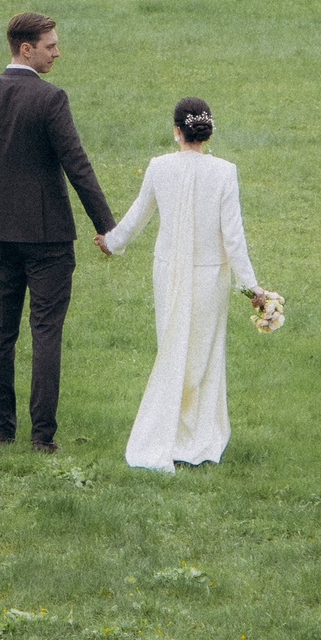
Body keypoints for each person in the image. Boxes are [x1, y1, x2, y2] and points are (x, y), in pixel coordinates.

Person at [0, 11, 114, 452]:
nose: (57, 52)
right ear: (25, 48)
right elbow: (77, 166)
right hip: (48, 240)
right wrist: (108, 227)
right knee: (46, 332)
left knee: (1, 332)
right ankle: (42, 438)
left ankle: (3, 431)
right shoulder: (51, 100)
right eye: (50, 45)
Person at [99, 97, 265, 473]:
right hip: (210, 275)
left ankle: (178, 434)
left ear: (176, 131)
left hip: (171, 272)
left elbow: (137, 215)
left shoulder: (161, 167)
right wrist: (251, 286)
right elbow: (233, 236)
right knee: (203, 355)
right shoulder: (224, 171)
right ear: (207, 132)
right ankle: (194, 436)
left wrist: (112, 242)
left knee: (173, 347)